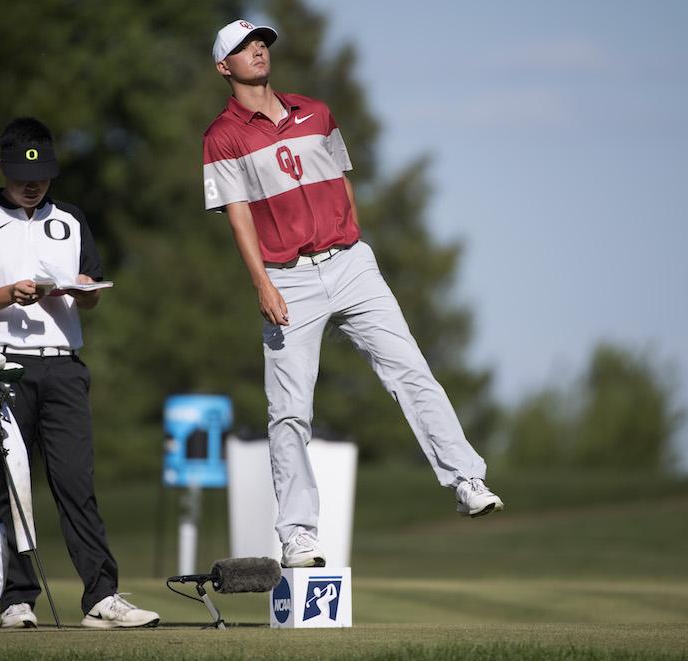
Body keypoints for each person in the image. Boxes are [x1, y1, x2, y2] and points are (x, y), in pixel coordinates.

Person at [202, 21, 504, 569]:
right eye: (244, 48)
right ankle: (298, 535)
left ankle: (466, 479)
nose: (258, 50)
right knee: (289, 411)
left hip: (350, 263)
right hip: (286, 277)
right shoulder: (222, 136)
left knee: (410, 370)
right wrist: (262, 282)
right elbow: (238, 215)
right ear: (225, 67)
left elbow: (342, 182)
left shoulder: (317, 112)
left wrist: (354, 246)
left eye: (262, 42)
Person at [0, 117, 159, 628]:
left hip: (63, 364)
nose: (32, 184)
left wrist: (82, 290)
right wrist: (9, 294)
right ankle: (18, 598)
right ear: (3, 169)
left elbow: (92, 296)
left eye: (41, 175)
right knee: (9, 485)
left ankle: (101, 596)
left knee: (75, 482)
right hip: (1, 366)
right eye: (22, 175)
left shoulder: (71, 219)